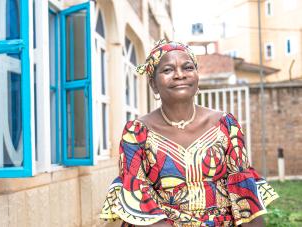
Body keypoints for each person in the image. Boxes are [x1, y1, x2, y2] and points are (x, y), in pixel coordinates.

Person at [100, 40, 278, 227]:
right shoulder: (136, 133)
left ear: (197, 76)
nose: (179, 75)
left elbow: (245, 196)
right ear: (153, 84)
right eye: (168, 70)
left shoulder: (225, 125)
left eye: (187, 68)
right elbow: (137, 197)